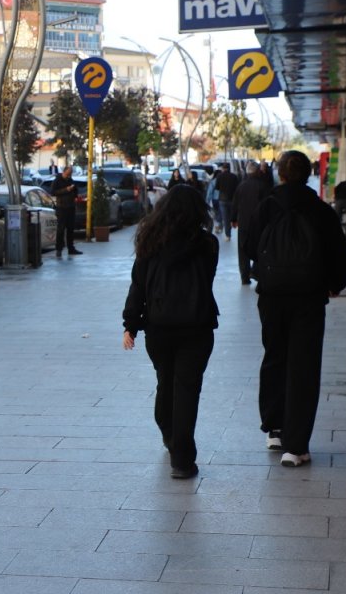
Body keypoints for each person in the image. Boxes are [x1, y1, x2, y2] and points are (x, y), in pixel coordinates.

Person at [248, 150, 346, 467]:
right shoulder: (320, 210)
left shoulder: (267, 206)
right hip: (308, 297)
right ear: (308, 175)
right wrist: (334, 284)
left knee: (274, 355)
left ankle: (275, 427)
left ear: (279, 173)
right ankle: (296, 446)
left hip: (272, 295)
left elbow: (252, 244)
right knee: (303, 365)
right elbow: (338, 253)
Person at [122, 184, 220, 480]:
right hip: (197, 326)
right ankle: (182, 460)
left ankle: (169, 432)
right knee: (187, 389)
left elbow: (138, 285)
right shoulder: (208, 245)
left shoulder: (149, 242)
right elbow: (208, 277)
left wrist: (131, 325)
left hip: (159, 326)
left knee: (166, 382)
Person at [228, 160, 270, 285]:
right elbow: (267, 205)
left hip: (244, 223)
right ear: (257, 171)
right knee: (260, 248)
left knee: (242, 249)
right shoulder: (263, 186)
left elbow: (235, 204)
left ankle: (244, 277)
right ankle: (256, 272)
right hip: (259, 223)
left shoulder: (241, 186)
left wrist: (233, 219)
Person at [50, 165, 83, 257]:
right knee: (61, 229)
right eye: (68, 174)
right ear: (64, 172)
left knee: (70, 228)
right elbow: (53, 192)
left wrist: (76, 196)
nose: (69, 176)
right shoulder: (57, 180)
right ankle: (59, 249)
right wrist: (66, 190)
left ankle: (71, 248)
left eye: (70, 174)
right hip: (62, 207)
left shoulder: (70, 180)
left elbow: (75, 190)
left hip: (71, 206)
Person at [213, 162, 241, 242]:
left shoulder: (219, 176)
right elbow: (237, 188)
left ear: (223, 168)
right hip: (232, 199)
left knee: (225, 218)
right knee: (231, 216)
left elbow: (217, 187)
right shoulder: (234, 177)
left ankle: (228, 235)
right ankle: (230, 228)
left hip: (222, 199)